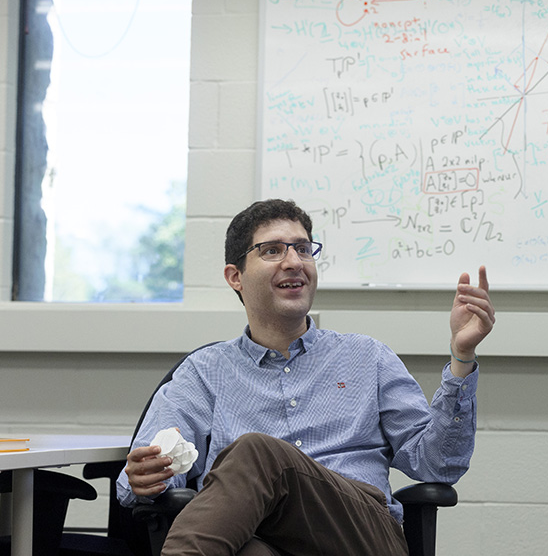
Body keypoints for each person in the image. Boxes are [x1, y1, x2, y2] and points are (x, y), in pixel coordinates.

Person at [116, 198, 495, 556]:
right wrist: (146, 476)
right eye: (272, 250)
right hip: (255, 535)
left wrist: (462, 358)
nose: (294, 261)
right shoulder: (203, 372)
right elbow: (142, 474)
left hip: (360, 533)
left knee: (259, 454)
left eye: (302, 248)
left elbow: (438, 465)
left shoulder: (367, 357)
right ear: (236, 276)